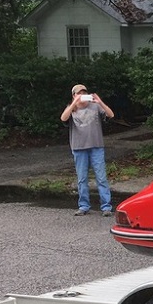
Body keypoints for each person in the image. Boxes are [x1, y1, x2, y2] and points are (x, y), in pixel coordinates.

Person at [60, 83, 115, 217]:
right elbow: (63, 118)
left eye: (84, 93)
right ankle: (84, 206)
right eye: (79, 93)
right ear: (74, 95)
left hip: (96, 146)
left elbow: (111, 115)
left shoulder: (95, 106)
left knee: (101, 177)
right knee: (82, 178)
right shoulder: (71, 109)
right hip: (79, 148)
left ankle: (106, 206)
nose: (82, 96)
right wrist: (74, 104)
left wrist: (100, 101)